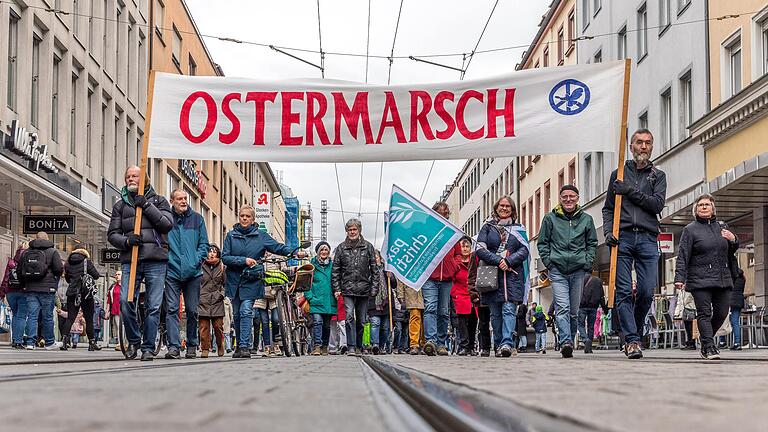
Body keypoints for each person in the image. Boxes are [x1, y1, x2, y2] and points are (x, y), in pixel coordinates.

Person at [602, 129, 667, 360]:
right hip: (623, 238)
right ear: (631, 147)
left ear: (652, 147)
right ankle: (631, 340)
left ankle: (635, 334)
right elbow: (608, 208)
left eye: (647, 143)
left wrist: (629, 191)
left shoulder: (657, 176)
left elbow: (656, 205)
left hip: (648, 238)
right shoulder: (618, 174)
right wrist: (609, 232)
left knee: (647, 291)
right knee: (622, 291)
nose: (643, 146)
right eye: (639, 142)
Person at [108, 165, 174, 361]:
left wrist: (145, 205)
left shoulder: (159, 201)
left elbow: (166, 225)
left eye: (135, 176)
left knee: (153, 306)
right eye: (128, 176)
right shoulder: (120, 206)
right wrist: (127, 241)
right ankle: (134, 339)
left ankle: (147, 346)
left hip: (155, 259)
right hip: (132, 259)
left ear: (144, 178)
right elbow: (112, 234)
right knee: (126, 302)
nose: (130, 179)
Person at [222, 205, 305, 358]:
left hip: (252, 279)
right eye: (242, 216)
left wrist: (294, 252)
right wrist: (243, 260)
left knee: (246, 310)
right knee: (237, 315)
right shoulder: (231, 236)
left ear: (253, 219)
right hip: (234, 281)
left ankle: (245, 346)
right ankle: (239, 346)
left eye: (247, 216)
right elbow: (225, 257)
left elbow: (277, 247)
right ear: (239, 217)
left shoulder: (261, 236)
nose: (244, 218)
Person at [674, 194, 738, 360]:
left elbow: (731, 251)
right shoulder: (690, 230)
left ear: (713, 208)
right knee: (703, 313)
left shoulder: (722, 227)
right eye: (700, 205)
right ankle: (709, 347)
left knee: (722, 312)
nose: (704, 207)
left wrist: (734, 240)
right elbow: (683, 255)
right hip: (699, 279)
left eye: (707, 204)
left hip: (722, 277)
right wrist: (679, 277)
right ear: (696, 210)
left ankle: (705, 340)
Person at [538, 184, 598, 358]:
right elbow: (542, 243)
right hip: (557, 270)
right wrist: (549, 262)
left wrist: (587, 262)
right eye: (564, 196)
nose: (568, 199)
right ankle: (565, 341)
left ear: (577, 198)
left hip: (578, 270)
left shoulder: (586, 219)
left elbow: (592, 243)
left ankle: (569, 341)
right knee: (563, 308)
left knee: (574, 311)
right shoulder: (550, 219)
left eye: (572, 196)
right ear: (560, 198)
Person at [473, 196, 529, 358]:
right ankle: (498, 343)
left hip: (512, 277)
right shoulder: (487, 227)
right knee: (495, 314)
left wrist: (509, 261)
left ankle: (506, 343)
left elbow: (524, 250)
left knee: (509, 310)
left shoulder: (519, 228)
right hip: (492, 276)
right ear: (496, 208)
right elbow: (480, 249)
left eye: (508, 206)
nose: (504, 208)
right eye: (501, 206)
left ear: (512, 209)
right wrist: (499, 261)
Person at [165, 189, 209, 360]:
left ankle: (191, 344)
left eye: (185, 198)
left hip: (193, 273)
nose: (183, 201)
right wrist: (167, 260)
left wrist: (196, 261)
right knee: (172, 309)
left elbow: (203, 244)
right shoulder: (166, 218)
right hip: (172, 271)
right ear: (172, 201)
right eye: (179, 199)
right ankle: (174, 347)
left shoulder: (197, 219)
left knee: (192, 311)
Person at [331, 218, 379, 355]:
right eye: (350, 230)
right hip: (347, 289)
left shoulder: (368, 246)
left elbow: (374, 269)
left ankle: (359, 345)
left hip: (364, 289)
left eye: (354, 229)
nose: (352, 232)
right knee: (349, 317)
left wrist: (374, 288)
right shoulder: (341, 248)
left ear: (359, 230)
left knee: (362, 320)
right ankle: (351, 346)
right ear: (346, 231)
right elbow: (336, 270)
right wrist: (337, 289)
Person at [421, 202, 461, 356]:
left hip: (447, 279)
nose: (443, 215)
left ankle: (441, 343)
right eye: (439, 213)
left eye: (445, 213)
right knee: (430, 308)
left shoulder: (453, 233)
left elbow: (458, 254)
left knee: (443, 312)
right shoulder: (427, 232)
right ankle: (430, 340)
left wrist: (454, 266)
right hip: (430, 278)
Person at [19, 232, 64, 350]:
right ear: (47, 239)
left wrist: (24, 284)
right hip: (47, 289)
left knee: (32, 316)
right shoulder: (52, 251)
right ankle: (49, 343)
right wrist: (54, 281)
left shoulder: (26, 252)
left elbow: (20, 270)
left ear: (36, 238)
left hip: (31, 288)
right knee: (47, 316)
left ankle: (30, 342)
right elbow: (59, 268)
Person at [59, 248, 102, 351]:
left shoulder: (68, 263)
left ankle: (64, 341)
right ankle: (92, 343)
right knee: (89, 319)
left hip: (73, 292)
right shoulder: (87, 262)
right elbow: (96, 276)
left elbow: (68, 279)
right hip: (86, 294)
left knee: (70, 318)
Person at [305, 241, 336, 356]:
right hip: (316, 300)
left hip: (329, 300)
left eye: (326, 250)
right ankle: (317, 346)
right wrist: (310, 297)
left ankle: (325, 346)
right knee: (317, 322)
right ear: (318, 252)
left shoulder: (333, 266)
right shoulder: (311, 266)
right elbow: (306, 282)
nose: (324, 252)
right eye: (321, 250)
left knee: (327, 325)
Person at [199, 244, 226, 358]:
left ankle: (220, 345)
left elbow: (226, 284)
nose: (211, 253)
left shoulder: (222, 267)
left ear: (218, 254)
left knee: (217, 326)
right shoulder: (200, 265)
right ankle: (205, 348)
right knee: (204, 327)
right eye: (210, 251)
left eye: (214, 251)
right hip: (203, 299)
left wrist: (221, 294)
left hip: (217, 300)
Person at [466, 245, 493, 357]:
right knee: (483, 322)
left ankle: (500, 345)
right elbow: (471, 275)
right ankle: (485, 347)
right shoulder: (475, 254)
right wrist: (473, 293)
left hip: (496, 292)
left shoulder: (497, 251)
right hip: (481, 292)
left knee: (498, 321)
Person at [1, 243, 28, 349]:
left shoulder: (11, 262)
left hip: (10, 292)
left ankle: (14, 339)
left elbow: (6, 278)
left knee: (15, 315)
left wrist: (2, 293)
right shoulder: (28, 261)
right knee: (21, 316)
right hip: (23, 291)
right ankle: (18, 341)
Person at [451, 237, 475, 356]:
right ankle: (464, 345)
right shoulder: (455, 261)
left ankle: (471, 346)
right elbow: (452, 279)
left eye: (467, 246)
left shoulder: (475, 260)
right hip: (460, 295)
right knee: (462, 322)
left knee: (473, 321)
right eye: (462, 247)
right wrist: (454, 294)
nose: (465, 249)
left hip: (472, 294)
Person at [369, 251, 393, 355]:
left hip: (386, 303)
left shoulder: (386, 270)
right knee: (375, 323)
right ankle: (375, 345)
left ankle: (383, 345)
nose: (375, 259)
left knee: (385, 327)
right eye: (373, 257)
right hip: (373, 302)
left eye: (377, 257)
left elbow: (394, 285)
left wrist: (391, 277)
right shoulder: (368, 271)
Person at [579, 273, 608, 354]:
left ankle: (585, 340)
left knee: (580, 324)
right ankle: (589, 347)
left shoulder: (580, 279)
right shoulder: (598, 280)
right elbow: (602, 296)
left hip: (582, 306)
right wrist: (605, 308)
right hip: (594, 306)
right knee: (591, 326)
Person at [396, 275, 425, 355]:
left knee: (426, 319)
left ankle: (424, 343)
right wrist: (400, 294)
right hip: (411, 291)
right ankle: (414, 344)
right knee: (415, 316)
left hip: (426, 290)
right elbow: (400, 274)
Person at [728, 269, 746, 350]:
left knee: (723, 321)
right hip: (739, 301)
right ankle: (737, 342)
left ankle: (722, 342)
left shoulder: (731, 277)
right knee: (735, 322)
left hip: (730, 300)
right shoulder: (742, 278)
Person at [328, 290, 348, 355]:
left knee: (339, 325)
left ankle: (338, 346)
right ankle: (337, 346)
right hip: (334, 302)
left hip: (340, 301)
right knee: (335, 325)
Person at [107, 271, 121, 349]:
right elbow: (109, 300)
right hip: (115, 309)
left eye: (119, 274)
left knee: (126, 327)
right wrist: (107, 311)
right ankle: (120, 343)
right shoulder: (113, 287)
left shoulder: (127, 286)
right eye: (116, 274)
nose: (116, 276)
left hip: (124, 309)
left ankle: (128, 342)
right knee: (118, 327)